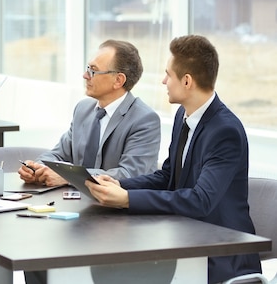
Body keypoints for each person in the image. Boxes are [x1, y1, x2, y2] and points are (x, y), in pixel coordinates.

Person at [85, 35, 261, 284]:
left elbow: (201, 200)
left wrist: (128, 200)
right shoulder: (183, 116)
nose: (164, 81)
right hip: (184, 239)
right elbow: (168, 176)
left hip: (219, 253)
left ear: (187, 81)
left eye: (168, 74)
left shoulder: (225, 131)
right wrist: (119, 185)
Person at [18, 39, 161, 187]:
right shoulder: (83, 109)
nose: (85, 75)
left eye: (93, 70)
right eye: (88, 68)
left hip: (116, 207)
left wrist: (70, 177)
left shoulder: (144, 119)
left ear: (118, 80)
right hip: (75, 202)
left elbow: (130, 174)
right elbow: (59, 154)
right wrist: (37, 168)